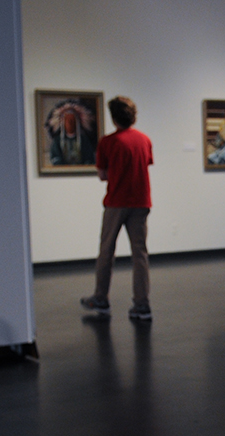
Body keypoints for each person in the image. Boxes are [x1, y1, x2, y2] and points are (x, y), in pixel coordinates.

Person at [81, 96, 155, 320]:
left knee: (106, 251)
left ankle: (101, 298)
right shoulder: (144, 140)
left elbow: (103, 175)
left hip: (116, 202)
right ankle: (142, 304)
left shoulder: (108, 142)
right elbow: (145, 164)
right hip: (141, 202)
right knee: (140, 254)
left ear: (113, 118)